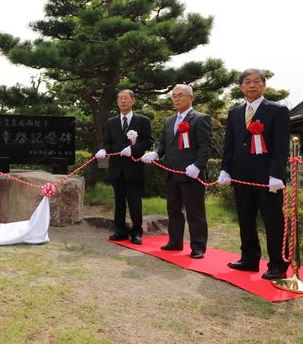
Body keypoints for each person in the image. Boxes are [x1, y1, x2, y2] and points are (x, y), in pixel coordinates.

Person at [218, 69, 291, 280]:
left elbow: (281, 146)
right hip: (241, 175)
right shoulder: (234, 112)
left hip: (268, 178)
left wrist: (277, 174)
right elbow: (230, 144)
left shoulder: (277, 110)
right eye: (247, 82)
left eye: (256, 81)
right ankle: (249, 259)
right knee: (245, 218)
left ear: (263, 85)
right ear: (241, 87)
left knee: (273, 221)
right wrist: (226, 169)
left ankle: (278, 264)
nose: (252, 85)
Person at [142, 84, 211, 259]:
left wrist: (198, 166)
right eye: (174, 96)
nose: (176, 99)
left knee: (195, 211)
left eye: (180, 95)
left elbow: (205, 146)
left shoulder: (200, 119)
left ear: (191, 98)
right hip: (171, 172)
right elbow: (165, 144)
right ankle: (175, 241)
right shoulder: (169, 120)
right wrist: (156, 153)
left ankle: (198, 247)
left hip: (190, 173)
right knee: (173, 210)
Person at [95, 90, 154, 244]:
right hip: (116, 168)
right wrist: (104, 150)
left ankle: (136, 232)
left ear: (133, 101)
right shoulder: (111, 122)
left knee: (135, 202)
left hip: (134, 167)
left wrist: (133, 149)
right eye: (120, 98)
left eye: (126, 98)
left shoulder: (143, 121)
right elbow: (108, 142)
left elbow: (148, 141)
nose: (123, 101)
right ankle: (120, 230)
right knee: (119, 201)